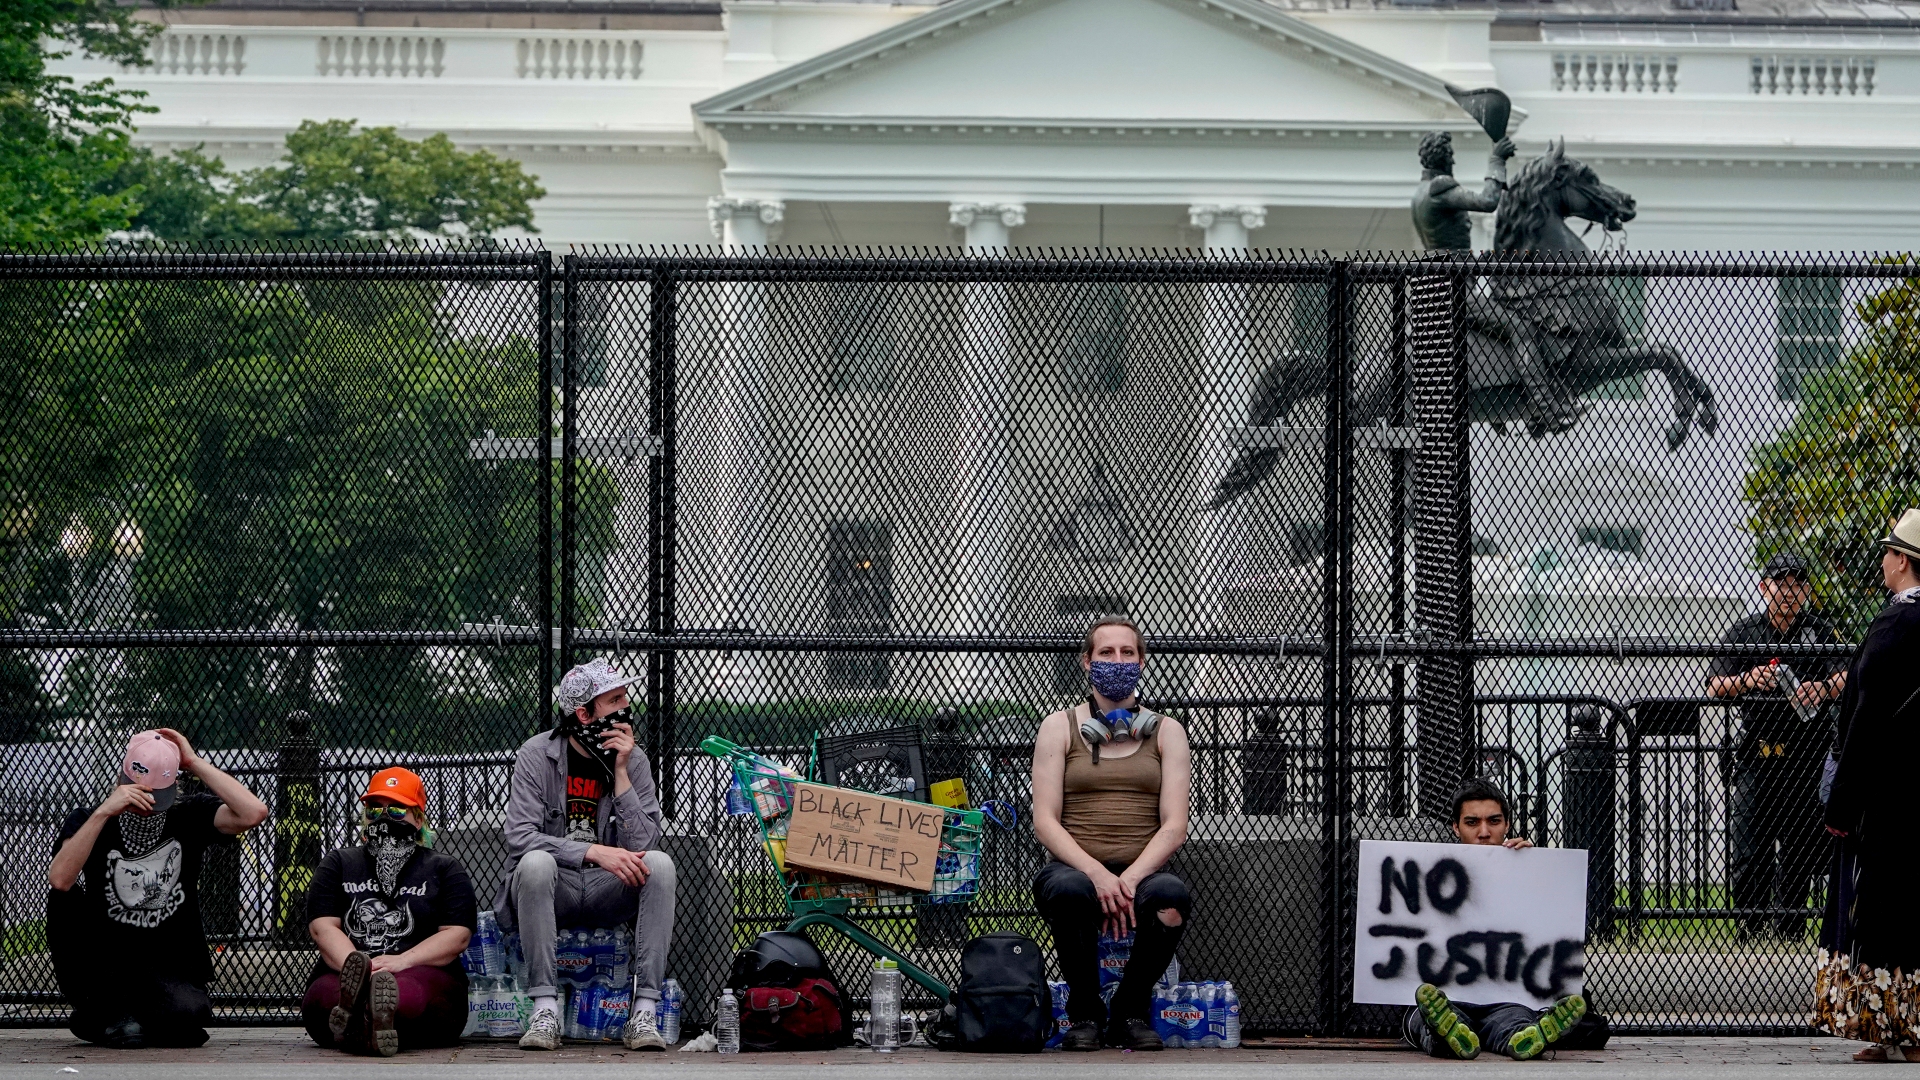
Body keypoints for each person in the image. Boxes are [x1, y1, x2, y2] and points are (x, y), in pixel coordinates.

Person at [46, 729, 270, 1048]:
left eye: (156, 799)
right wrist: (105, 811)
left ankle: (121, 1021)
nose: (148, 809)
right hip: (108, 964)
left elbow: (254, 812)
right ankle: (105, 1012)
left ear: (174, 787)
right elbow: (60, 879)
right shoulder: (89, 819)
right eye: (140, 798)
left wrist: (193, 762)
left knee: (189, 1018)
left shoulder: (187, 814)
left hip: (165, 964)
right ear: (122, 782)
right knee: (63, 900)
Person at [1031, 616, 1193, 1052]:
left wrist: (1130, 879)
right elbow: (1044, 820)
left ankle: (1130, 1012)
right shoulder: (1057, 727)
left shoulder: (1168, 732)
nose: (1117, 661)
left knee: (1172, 900)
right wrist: (1097, 874)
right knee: (1069, 889)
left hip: (1142, 869)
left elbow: (1175, 825)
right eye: (1106, 652)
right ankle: (1084, 1015)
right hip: (1073, 868)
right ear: (1086, 662)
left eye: (1127, 652)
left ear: (1142, 661)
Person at [496, 657, 675, 1051]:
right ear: (583, 713)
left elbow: (643, 842)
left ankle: (643, 1012)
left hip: (604, 891)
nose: (627, 707)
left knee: (660, 864)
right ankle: (545, 1011)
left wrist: (623, 772)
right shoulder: (536, 754)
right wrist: (593, 851)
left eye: (625, 696)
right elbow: (520, 837)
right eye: (615, 700)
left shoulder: (636, 759)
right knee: (536, 861)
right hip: (551, 884)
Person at [1816, 510, 1920, 1062]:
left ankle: (1893, 1031)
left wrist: (1842, 800)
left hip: (1887, 796)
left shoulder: (1895, 625)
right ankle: (1900, 1034)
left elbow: (1866, 718)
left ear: (1902, 560)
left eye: (1887, 552)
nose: (1882, 560)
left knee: (1879, 911)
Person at [1705, 551, 1848, 940]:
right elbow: (1715, 685)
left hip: (1804, 755)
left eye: (1798, 584)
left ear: (1806, 591)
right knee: (1749, 846)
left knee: (1800, 847)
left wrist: (1820, 688)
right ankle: (1750, 927)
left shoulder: (1819, 631)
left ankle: (1789, 930)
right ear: (1764, 587)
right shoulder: (1744, 633)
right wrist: (1750, 679)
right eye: (1781, 584)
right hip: (1758, 753)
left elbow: (1847, 677)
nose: (1789, 592)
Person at [1402, 778, 1591, 1061]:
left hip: (1504, 997)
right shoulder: (1432, 872)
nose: (1484, 832)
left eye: (1494, 821)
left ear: (1507, 824)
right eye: (1472, 822)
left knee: (1514, 1022)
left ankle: (1527, 1038)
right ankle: (1446, 1036)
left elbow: (1556, 930)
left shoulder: (1528, 866)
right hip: (1449, 995)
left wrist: (1534, 868)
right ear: (1455, 827)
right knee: (1423, 1018)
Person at [1410, 130, 1578, 436]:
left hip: (1438, 286)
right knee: (1520, 327)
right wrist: (1496, 160)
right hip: (1453, 292)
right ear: (1441, 156)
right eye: (1450, 153)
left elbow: (1446, 250)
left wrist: (1478, 261)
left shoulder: (1419, 192)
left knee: (1498, 319)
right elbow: (1487, 202)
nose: (1454, 158)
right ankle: (1546, 407)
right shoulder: (1439, 186)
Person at [303, 767, 477, 1057]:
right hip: (345, 972)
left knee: (407, 993)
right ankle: (367, 1020)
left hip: (419, 972)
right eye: (374, 811)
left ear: (418, 818)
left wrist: (401, 961)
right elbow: (323, 927)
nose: (383, 819)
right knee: (324, 997)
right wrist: (358, 969)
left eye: (397, 811)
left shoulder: (444, 868)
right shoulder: (338, 862)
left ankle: (362, 1026)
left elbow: (457, 935)